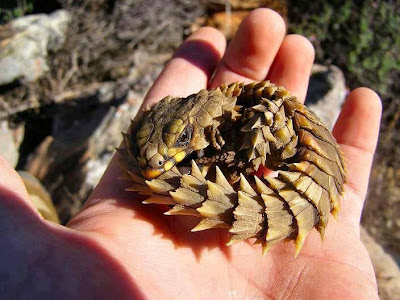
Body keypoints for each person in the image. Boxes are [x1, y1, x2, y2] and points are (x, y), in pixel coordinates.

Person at [0, 9, 381, 299]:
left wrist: (236, 160)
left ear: (206, 126)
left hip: (312, 180)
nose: (156, 165)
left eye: (183, 140)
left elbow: (261, 128)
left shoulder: (243, 113)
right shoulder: (209, 118)